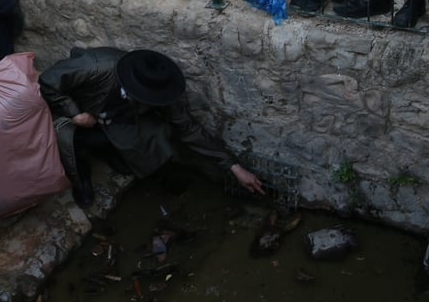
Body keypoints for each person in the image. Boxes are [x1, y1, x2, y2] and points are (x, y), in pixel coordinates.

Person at [38, 46, 265, 207]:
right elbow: (48, 81)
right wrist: (75, 113)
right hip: (82, 113)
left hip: (115, 117)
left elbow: (189, 129)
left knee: (155, 134)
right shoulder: (97, 67)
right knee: (76, 142)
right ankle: (82, 180)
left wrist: (233, 166)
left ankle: (117, 155)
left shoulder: (160, 90)